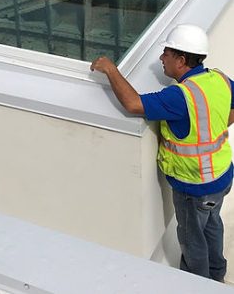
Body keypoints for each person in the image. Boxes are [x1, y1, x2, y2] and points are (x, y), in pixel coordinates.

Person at [90, 23, 234, 282]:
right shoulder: (218, 79)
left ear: (181, 60)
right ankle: (217, 277)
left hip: (195, 186)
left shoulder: (180, 96)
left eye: (166, 53)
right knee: (212, 225)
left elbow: (134, 104)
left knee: (192, 242)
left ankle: (196, 285)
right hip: (222, 176)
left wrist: (111, 69)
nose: (161, 58)